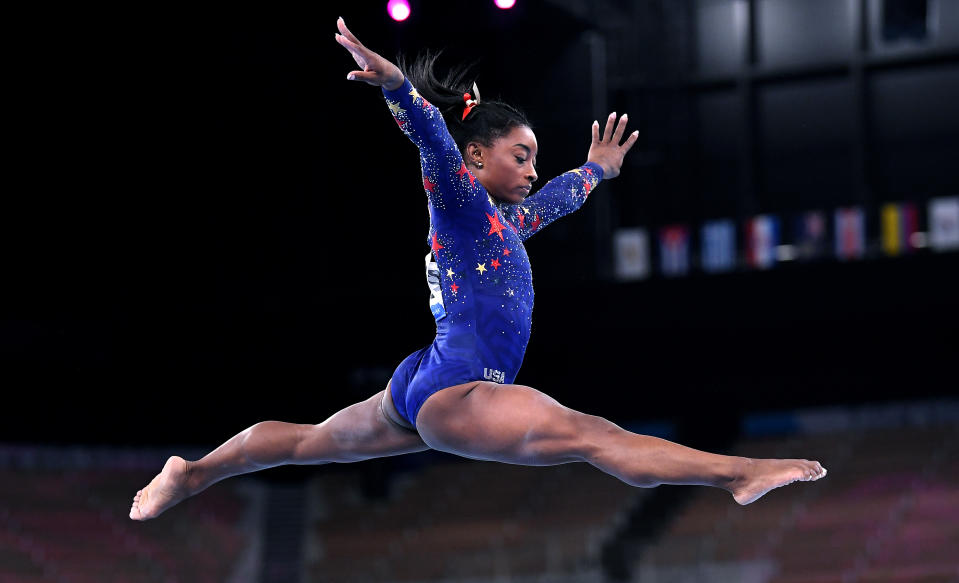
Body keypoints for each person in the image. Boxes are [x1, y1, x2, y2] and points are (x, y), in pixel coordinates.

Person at [130, 17, 826, 522]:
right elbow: (432, 137)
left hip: (425, 379)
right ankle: (737, 472)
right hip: (460, 391)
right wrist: (398, 88)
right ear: (475, 161)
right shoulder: (460, 204)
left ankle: (192, 472)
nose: (530, 169)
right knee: (593, 436)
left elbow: (553, 202)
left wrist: (595, 170)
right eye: (519, 155)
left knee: (310, 442)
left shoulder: (499, 224)